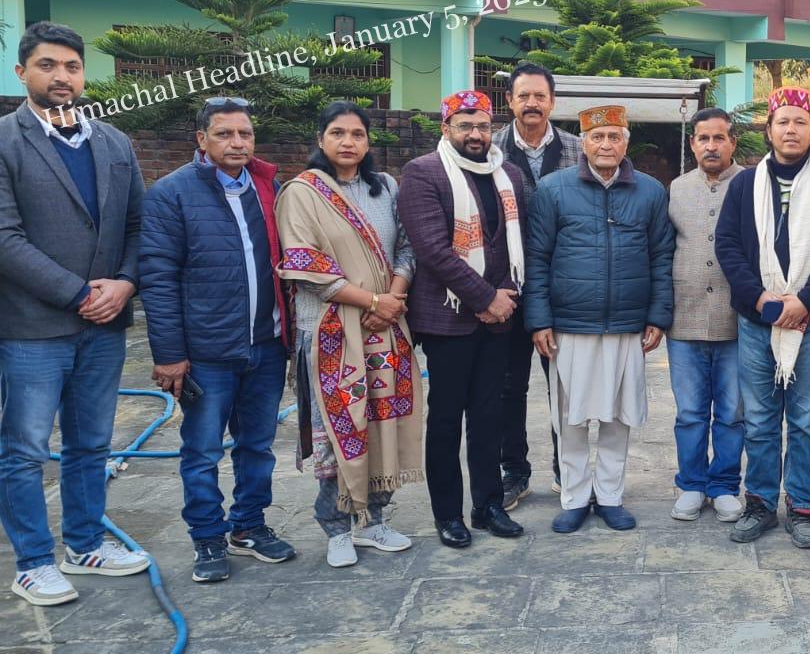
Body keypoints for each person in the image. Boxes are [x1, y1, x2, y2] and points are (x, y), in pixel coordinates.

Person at [0, 21, 150, 606]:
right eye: (47, 65)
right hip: (32, 329)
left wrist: (126, 283)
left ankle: (85, 544)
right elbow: (5, 238)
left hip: (105, 327)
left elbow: (138, 226)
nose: (60, 76)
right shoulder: (5, 141)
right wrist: (78, 293)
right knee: (25, 449)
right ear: (22, 73)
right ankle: (34, 562)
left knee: (91, 443)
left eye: (71, 66)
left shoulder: (114, 143)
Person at [142, 97, 296, 583]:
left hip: (266, 345)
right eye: (225, 134)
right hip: (208, 352)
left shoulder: (268, 188)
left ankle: (248, 525)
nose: (237, 143)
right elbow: (158, 279)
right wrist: (170, 354)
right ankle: (207, 536)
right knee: (202, 450)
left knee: (258, 446)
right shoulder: (172, 194)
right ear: (201, 139)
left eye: (245, 134)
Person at [275, 102, 421, 569]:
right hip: (330, 332)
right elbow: (306, 266)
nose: (348, 142)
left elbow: (407, 247)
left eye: (357, 134)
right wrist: (373, 302)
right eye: (337, 133)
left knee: (382, 425)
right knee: (338, 431)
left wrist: (392, 297)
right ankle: (337, 527)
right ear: (320, 139)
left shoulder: (387, 188)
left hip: (385, 329)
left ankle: (374, 520)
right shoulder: (302, 193)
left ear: (367, 141)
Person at [715, 86, 810, 548]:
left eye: (800, 122)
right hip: (756, 319)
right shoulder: (744, 185)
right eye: (783, 122)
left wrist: (805, 301)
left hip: (809, 321)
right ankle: (759, 503)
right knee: (758, 419)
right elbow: (728, 246)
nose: (791, 130)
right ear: (770, 129)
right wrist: (760, 299)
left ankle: (802, 506)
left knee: (805, 420)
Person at [526, 104, 674, 533]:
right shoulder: (553, 189)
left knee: (617, 416)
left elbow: (662, 256)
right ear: (584, 143)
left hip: (627, 324)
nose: (606, 144)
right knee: (570, 418)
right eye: (597, 137)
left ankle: (610, 495)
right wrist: (539, 320)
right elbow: (537, 258)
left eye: (614, 136)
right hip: (570, 325)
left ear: (626, 143)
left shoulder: (650, 191)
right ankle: (573, 497)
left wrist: (657, 316)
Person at [396, 90, 527, 548]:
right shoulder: (423, 173)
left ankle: (488, 505)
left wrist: (503, 298)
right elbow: (432, 249)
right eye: (465, 125)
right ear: (446, 128)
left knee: (489, 416)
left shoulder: (508, 174)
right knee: (447, 419)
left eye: (483, 126)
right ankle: (448, 513)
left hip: (500, 317)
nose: (475, 134)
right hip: (448, 318)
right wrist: (485, 298)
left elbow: (515, 244)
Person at [493, 63, 581, 508]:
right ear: (509, 101)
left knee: (563, 386)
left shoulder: (578, 149)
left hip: (561, 288)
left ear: (552, 102)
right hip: (504, 291)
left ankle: (568, 469)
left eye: (539, 96)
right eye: (523, 96)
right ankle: (514, 471)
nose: (531, 103)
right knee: (508, 387)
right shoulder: (489, 149)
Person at [667, 107, 746, 523]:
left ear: (733, 142)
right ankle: (692, 484)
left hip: (738, 322)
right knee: (690, 412)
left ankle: (725, 485)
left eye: (719, 138)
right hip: (685, 318)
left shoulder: (751, 185)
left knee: (732, 412)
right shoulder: (677, 189)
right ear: (693, 143)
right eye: (703, 138)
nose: (711, 146)